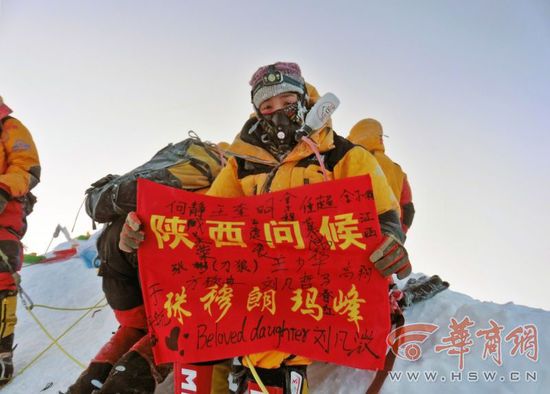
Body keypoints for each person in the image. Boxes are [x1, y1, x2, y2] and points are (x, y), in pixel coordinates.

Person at [204, 62, 411, 393]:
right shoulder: (241, 163)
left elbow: (384, 211)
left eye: (286, 101)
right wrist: (146, 231)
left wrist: (391, 240)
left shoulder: (343, 155)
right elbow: (207, 219)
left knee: (277, 349)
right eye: (267, 106)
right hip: (262, 280)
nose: (277, 112)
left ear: (303, 99)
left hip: (319, 282)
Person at [67, 139, 231, 394]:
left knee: (137, 325)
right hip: (183, 286)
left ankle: (94, 381)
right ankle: (126, 379)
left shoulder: (165, 178)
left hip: (130, 277)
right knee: (177, 321)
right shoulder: (226, 172)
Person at [0, 96, 41, 387]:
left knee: (2, 281)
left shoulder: (9, 126)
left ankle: (2, 356)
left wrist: (2, 190)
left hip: (5, 218)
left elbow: (28, 168)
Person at [348, 118, 415, 233]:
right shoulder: (397, 170)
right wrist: (399, 232)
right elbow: (408, 208)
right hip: (388, 233)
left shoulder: (350, 162)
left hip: (356, 230)